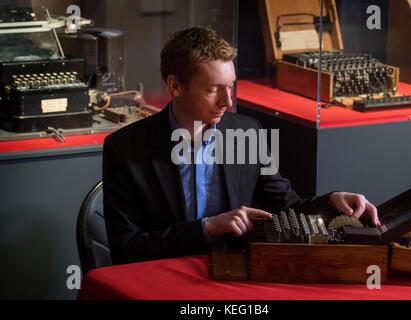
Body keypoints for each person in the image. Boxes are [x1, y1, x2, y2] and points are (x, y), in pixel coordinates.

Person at [102, 27, 380, 265]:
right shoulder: (125, 149)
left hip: (235, 275)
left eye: (231, 87)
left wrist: (331, 201)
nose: (228, 102)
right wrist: (207, 228)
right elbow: (127, 250)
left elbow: (286, 206)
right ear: (175, 86)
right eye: (213, 90)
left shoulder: (246, 131)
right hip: (164, 279)